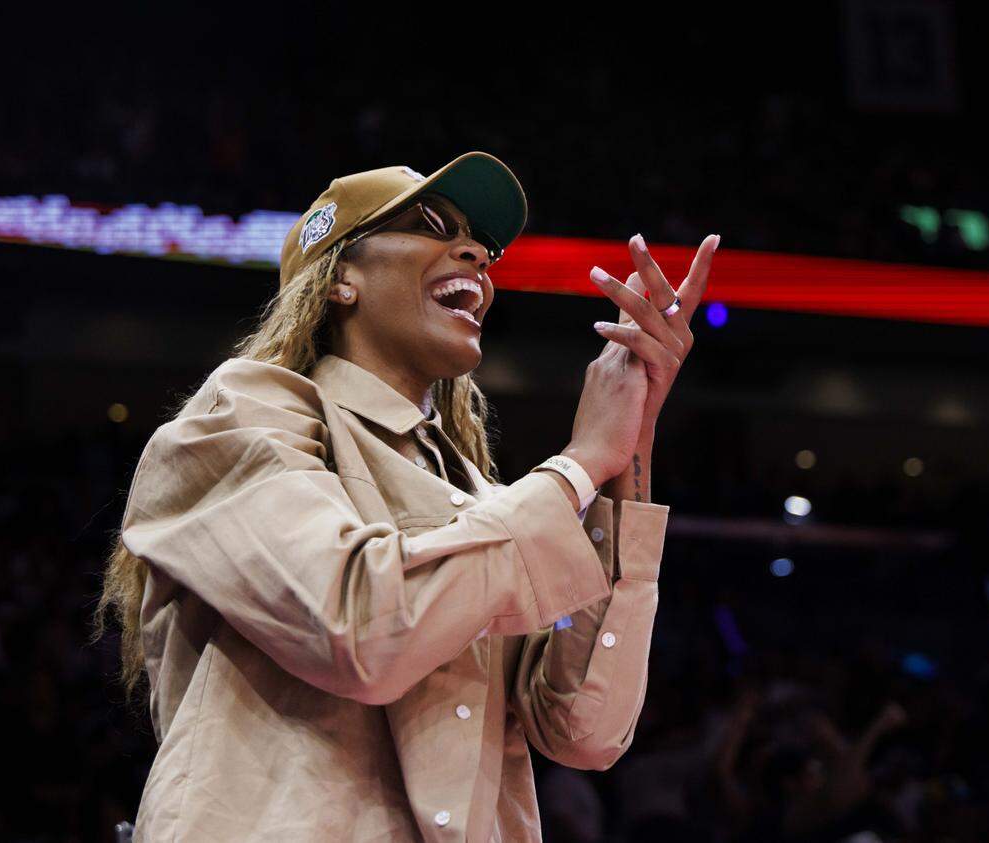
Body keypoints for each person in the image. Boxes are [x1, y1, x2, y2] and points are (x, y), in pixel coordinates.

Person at [93, 151, 719, 841]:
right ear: (341, 280)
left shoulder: (484, 498)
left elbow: (585, 729)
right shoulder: (235, 418)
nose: (476, 252)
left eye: (484, 247)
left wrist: (630, 443)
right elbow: (356, 621)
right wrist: (578, 463)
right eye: (430, 223)